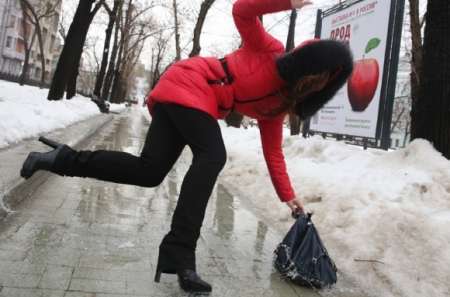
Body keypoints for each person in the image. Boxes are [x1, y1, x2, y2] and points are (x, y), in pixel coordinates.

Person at [20, 0, 353, 293]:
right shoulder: (270, 48)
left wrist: (288, 197)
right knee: (213, 155)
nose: (318, 82)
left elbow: (273, 153)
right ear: (306, 61)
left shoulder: (276, 109)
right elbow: (241, 10)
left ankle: (61, 159)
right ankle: (182, 254)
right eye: (317, 71)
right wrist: (287, 3)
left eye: (325, 82)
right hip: (192, 81)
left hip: (193, 100)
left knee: (149, 171)